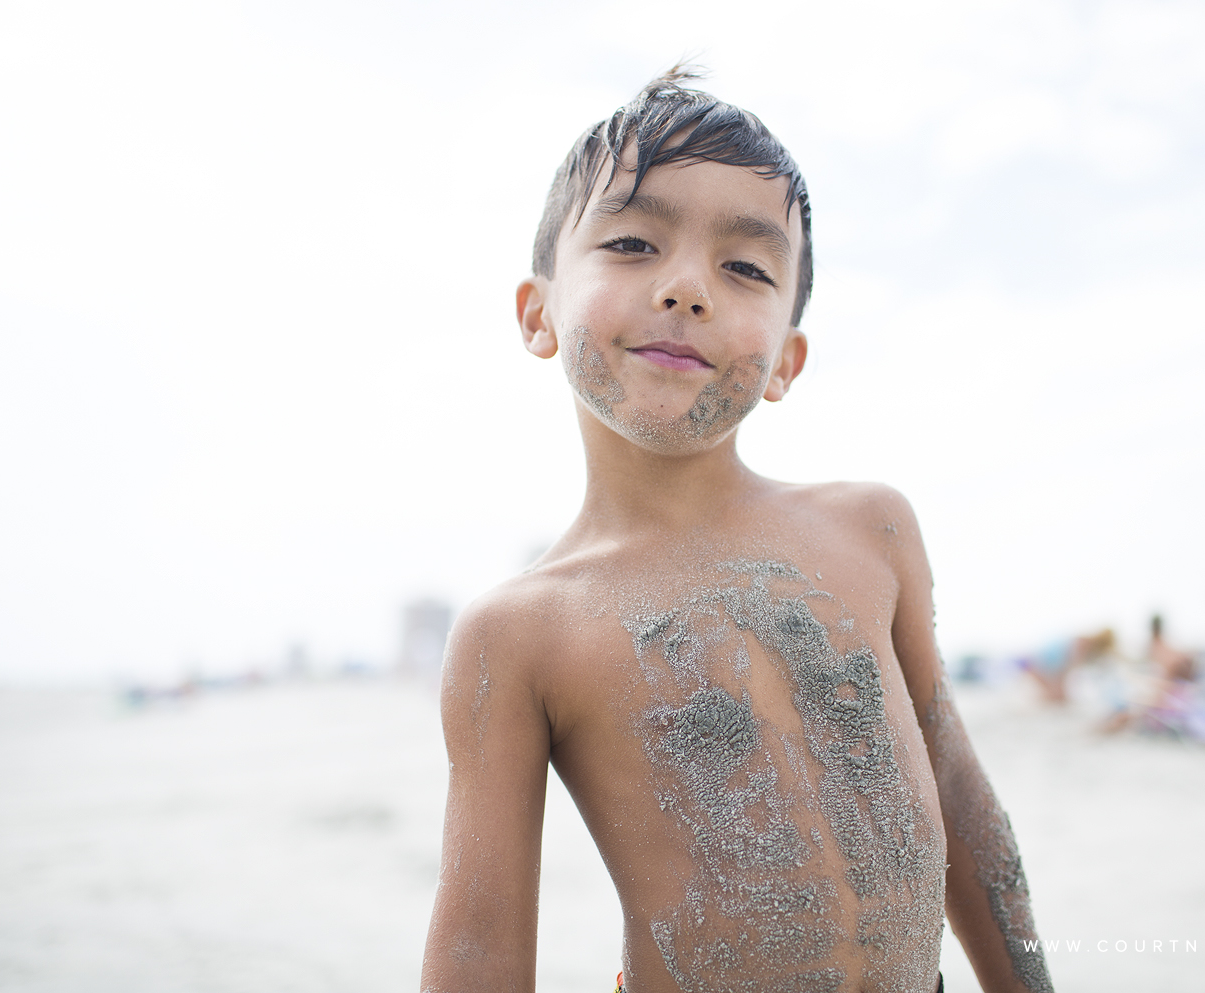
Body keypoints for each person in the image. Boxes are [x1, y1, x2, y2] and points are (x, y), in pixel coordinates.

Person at [419, 68, 1052, 993]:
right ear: (538, 312)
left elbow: (957, 795)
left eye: (746, 268)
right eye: (634, 243)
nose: (686, 288)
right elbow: (479, 949)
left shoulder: (871, 530)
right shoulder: (519, 634)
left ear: (787, 361)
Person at [1017, 628, 1115, 704]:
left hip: (1038, 663)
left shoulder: (1081, 640)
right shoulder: (1084, 644)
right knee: (1056, 696)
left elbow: (1067, 666)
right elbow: (1069, 666)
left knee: (1055, 696)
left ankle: (1033, 703)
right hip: (1038, 663)